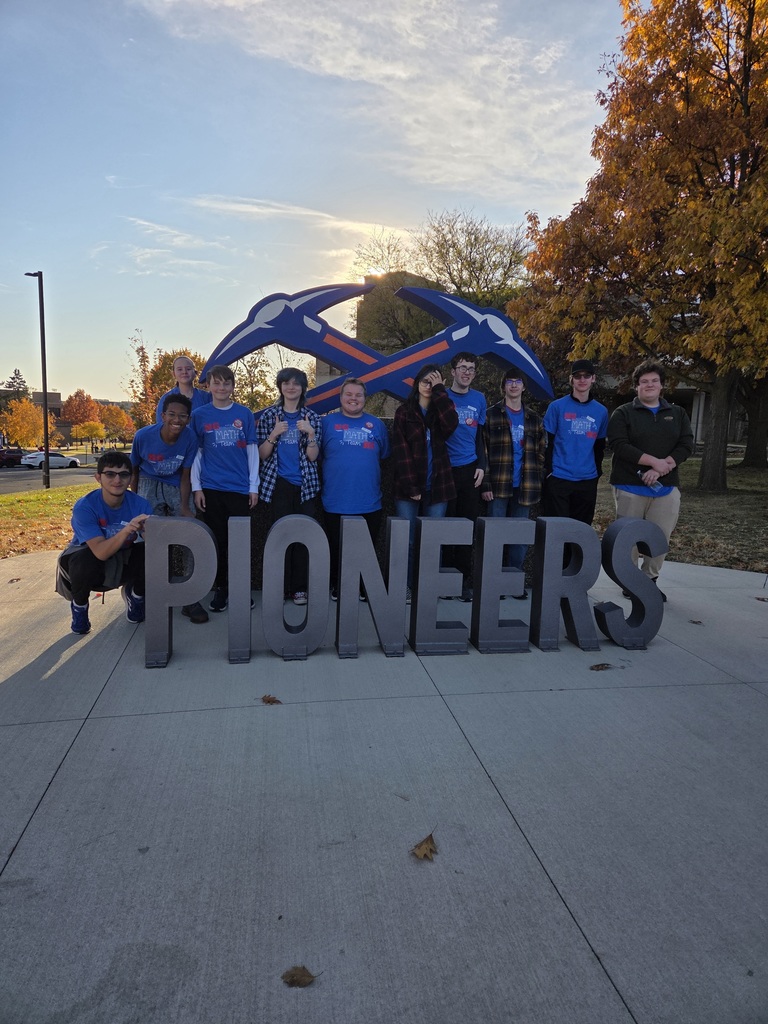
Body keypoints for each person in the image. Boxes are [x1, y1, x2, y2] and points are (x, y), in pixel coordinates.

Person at [607, 358, 694, 601]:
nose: (649, 385)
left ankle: (649, 581)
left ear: (662, 385)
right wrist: (652, 462)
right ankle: (629, 581)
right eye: (644, 381)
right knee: (629, 537)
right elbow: (618, 444)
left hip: (665, 488)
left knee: (659, 537)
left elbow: (687, 444)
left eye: (654, 381)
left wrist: (662, 466)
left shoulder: (677, 413)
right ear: (636, 386)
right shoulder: (623, 413)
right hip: (630, 486)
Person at [130, 393, 208, 624]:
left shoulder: (190, 437)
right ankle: (142, 593)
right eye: (172, 414)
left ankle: (189, 597)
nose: (177, 419)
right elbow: (133, 470)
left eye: (182, 416)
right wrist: (135, 502)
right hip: (147, 480)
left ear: (188, 418)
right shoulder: (143, 436)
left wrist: (184, 507)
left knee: (187, 535)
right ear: (162, 416)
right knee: (144, 536)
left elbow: (185, 475)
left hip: (175, 483)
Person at [190, 364, 259, 613]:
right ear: (208, 386)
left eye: (226, 383)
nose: (221, 388)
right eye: (216, 383)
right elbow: (196, 454)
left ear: (233, 386)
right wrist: (197, 488)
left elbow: (252, 451)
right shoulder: (200, 415)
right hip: (211, 488)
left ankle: (240, 590)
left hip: (239, 489)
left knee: (239, 543)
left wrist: (253, 487)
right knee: (216, 541)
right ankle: (221, 589)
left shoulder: (244, 414)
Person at [61, 451, 152, 635]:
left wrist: (150, 530)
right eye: (110, 474)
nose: (117, 480)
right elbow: (100, 553)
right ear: (98, 478)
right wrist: (127, 529)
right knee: (82, 559)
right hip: (91, 558)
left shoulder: (141, 504)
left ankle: (136, 595)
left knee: (152, 553)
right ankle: (80, 606)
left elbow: (154, 542)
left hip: (125, 554)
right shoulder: (85, 506)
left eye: (123, 474)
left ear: (131, 478)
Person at [256, 367, 322, 606]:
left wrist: (311, 434)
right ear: (280, 387)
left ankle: (299, 588)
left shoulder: (311, 418)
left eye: (296, 383)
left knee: (303, 537)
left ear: (303, 388)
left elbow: (313, 457)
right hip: (278, 485)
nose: (291, 387)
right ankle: (279, 586)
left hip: (306, 486)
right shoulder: (269, 416)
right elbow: (262, 455)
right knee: (279, 537)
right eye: (286, 383)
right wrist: (274, 434)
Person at [320, 378, 390, 600]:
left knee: (365, 551)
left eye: (358, 395)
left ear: (364, 398)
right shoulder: (326, 424)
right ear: (341, 398)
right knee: (336, 548)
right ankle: (337, 586)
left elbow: (385, 455)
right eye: (348, 394)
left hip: (369, 501)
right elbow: (317, 455)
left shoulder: (377, 425)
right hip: (335, 500)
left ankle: (362, 586)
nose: (353, 399)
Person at [392, 364, 458, 598]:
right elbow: (400, 452)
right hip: (408, 487)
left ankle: (429, 587)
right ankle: (407, 586)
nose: (429, 386)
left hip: (438, 486)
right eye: (425, 382)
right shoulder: (404, 412)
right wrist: (412, 488)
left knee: (433, 540)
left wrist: (441, 391)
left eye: (434, 383)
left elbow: (451, 424)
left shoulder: (440, 411)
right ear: (417, 384)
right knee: (407, 541)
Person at [482, 371, 545, 599]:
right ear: (504, 386)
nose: (514, 385)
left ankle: (513, 582)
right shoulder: (491, 415)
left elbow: (540, 452)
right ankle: (493, 582)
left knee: (519, 538)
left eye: (519, 382)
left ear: (524, 387)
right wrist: (486, 483)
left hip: (525, 485)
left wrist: (536, 477)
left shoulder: (534, 419)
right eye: (510, 381)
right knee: (494, 535)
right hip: (498, 485)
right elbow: (484, 452)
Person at [542, 358, 608, 524]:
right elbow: (546, 443)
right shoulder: (556, 407)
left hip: (587, 479)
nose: (582, 380)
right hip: (559, 477)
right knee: (558, 530)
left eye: (586, 376)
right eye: (577, 376)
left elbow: (599, 446)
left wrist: (597, 473)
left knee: (581, 531)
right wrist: (549, 471)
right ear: (571, 379)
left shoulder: (601, 411)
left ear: (593, 378)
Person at [444, 352, 487, 601]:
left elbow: (480, 435)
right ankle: (444, 579)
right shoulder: (442, 397)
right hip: (444, 470)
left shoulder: (479, 399)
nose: (467, 372)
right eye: (462, 367)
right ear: (452, 371)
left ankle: (463, 581)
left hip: (470, 470)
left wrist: (482, 464)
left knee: (466, 526)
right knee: (445, 525)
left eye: (471, 368)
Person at [155, 354, 213, 424]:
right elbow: (161, 426)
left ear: (195, 373)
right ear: (174, 374)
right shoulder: (166, 399)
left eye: (188, 369)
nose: (184, 372)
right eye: (180, 369)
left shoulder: (207, 397)